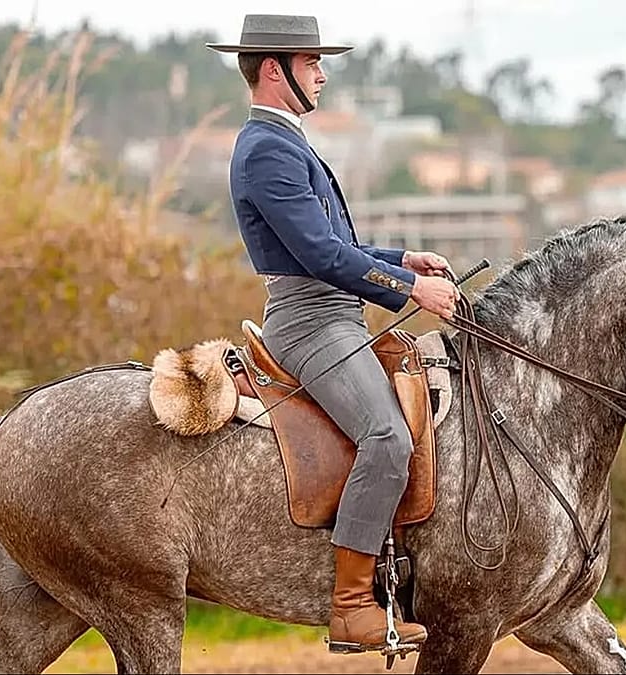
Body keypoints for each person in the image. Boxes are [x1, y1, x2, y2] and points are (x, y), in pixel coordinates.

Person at [206, 14, 460, 654]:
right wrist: (412, 294)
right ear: (274, 70)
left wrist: (401, 260)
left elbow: (336, 245)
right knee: (387, 436)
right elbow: (320, 257)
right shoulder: (266, 148)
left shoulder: (285, 143)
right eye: (312, 62)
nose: (322, 73)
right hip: (310, 321)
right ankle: (351, 605)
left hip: (337, 314)